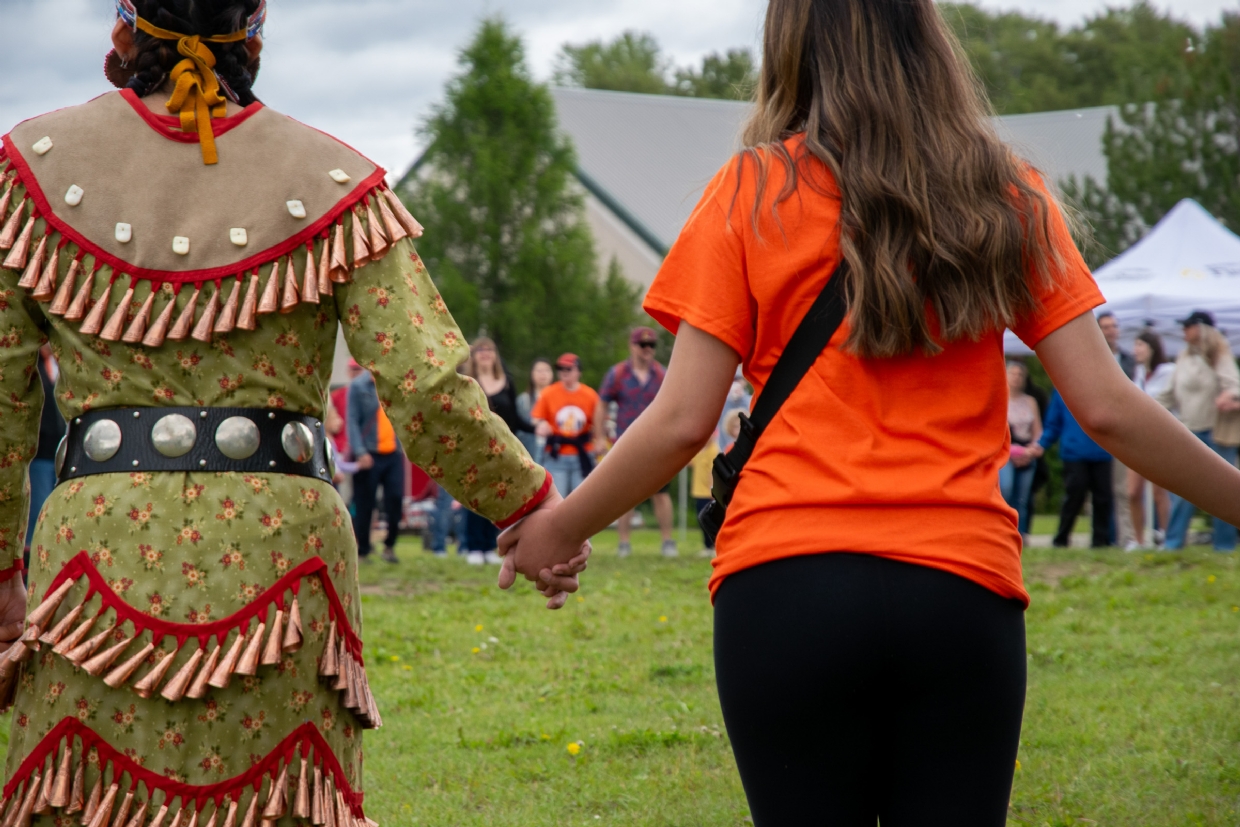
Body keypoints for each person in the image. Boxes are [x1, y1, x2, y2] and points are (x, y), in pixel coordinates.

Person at [498, 2, 1240, 823]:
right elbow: (1108, 406)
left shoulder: (748, 190)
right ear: (927, 43)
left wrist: (563, 527)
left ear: (790, 46)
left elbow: (681, 420)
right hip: (959, 589)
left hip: (784, 588)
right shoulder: (1003, 190)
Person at [0, 1, 585, 819]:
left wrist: (2, 573)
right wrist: (530, 504)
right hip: (283, 555)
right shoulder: (334, 180)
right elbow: (426, 388)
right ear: (254, 40)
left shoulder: (30, 169)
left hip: (96, 548)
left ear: (127, 35)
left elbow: (3, 400)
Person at [1157, 311, 1240, 551]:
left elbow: (1234, 384)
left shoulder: (1218, 355)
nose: (1184, 331)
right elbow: (1168, 394)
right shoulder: (1184, 357)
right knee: (1183, 490)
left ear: (1201, 328)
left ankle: (1224, 546)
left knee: (1222, 492)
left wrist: (1228, 396)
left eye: (1188, 327)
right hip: (1190, 431)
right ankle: (1173, 543)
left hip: (1215, 433)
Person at [599, 327, 677, 558]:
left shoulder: (663, 374)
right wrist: (599, 437)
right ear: (632, 347)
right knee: (625, 494)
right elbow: (602, 403)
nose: (647, 349)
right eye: (643, 345)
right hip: (625, 442)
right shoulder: (618, 373)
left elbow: (673, 405)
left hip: (657, 443)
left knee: (661, 493)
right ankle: (624, 543)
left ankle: (668, 542)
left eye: (651, 345)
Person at [459, 337, 535, 565]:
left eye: (489, 349)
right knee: (476, 496)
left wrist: (535, 427)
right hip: (476, 446)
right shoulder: (467, 380)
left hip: (502, 448)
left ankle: (490, 546)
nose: (484, 353)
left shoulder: (507, 382)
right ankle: (473, 546)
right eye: (480, 350)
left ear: (495, 355)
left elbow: (515, 418)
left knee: (497, 497)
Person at [1033, 391, 1113, 548]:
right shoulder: (1063, 391)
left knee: (1103, 497)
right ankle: (1062, 538)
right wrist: (1042, 444)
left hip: (1102, 452)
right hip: (1074, 453)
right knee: (1075, 493)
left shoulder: (1102, 389)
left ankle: (1100, 540)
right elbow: (1053, 423)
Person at [347, 365, 405, 564]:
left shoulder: (394, 383)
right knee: (365, 503)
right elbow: (352, 421)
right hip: (369, 453)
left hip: (393, 453)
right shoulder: (358, 386)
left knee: (395, 499)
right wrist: (360, 452)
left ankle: (390, 546)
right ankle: (363, 550)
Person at [531, 354, 604, 496]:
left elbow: (599, 422)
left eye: (568, 368)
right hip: (557, 455)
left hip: (582, 454)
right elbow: (536, 418)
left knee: (583, 500)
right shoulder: (549, 393)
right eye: (561, 368)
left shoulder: (590, 395)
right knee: (558, 501)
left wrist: (600, 440)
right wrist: (541, 424)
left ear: (578, 371)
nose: (564, 372)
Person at [1127, 330, 1175, 548]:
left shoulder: (1168, 372)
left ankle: (1166, 536)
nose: (1136, 350)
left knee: (1159, 491)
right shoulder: (1136, 373)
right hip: (1137, 440)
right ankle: (1138, 540)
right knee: (1133, 492)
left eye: (1140, 345)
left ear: (1152, 348)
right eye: (1135, 345)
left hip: (1160, 439)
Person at [1097, 312, 1137, 548]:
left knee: (1125, 489)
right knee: (1102, 491)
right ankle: (1104, 537)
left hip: (1125, 432)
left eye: (1113, 326)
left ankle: (1127, 538)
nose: (1111, 330)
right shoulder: (1090, 360)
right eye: (1105, 327)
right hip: (1099, 436)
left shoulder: (1131, 361)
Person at [26, 346, 64, 559]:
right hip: (39, 453)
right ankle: (30, 561)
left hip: (56, 454)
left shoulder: (57, 368)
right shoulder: (32, 367)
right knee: (37, 511)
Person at [1000, 360, 1041, 540]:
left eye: (1020, 374)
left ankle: (1020, 533)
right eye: (1013, 374)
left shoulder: (1030, 401)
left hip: (1026, 451)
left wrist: (1032, 450)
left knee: (1022, 497)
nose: (1016, 378)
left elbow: (1037, 430)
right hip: (1005, 452)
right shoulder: (1000, 398)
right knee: (1006, 490)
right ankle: (1002, 531)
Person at [517, 358, 553, 461]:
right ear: (532, 374)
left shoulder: (559, 399)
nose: (543, 374)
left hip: (553, 454)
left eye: (547, 370)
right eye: (539, 371)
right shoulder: (523, 401)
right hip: (529, 452)